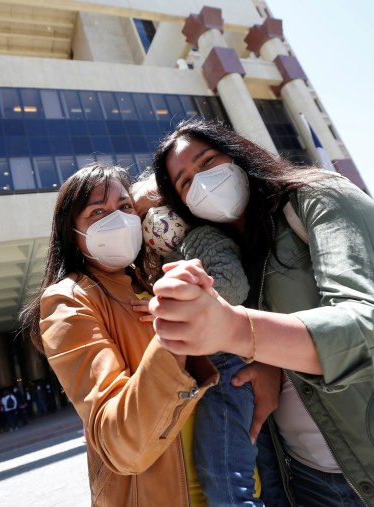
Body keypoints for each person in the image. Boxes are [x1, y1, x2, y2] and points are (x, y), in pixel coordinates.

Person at [148, 118, 374, 506]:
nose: (200, 181)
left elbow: (372, 325)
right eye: (185, 182)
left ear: (238, 154)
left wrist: (238, 329)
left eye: (207, 161)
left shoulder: (319, 197)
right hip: (309, 479)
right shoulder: (225, 254)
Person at [19, 162, 220, 506]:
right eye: (98, 211)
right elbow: (119, 441)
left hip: (227, 486)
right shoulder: (68, 300)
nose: (118, 220)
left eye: (125, 207)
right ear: (73, 233)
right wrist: (174, 327)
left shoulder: (152, 282)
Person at [131, 172, 260, 506]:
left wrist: (171, 304)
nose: (154, 221)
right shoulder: (158, 262)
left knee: (225, 475)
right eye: (143, 217)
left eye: (158, 208)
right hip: (211, 368)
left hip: (228, 368)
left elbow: (233, 286)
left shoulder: (202, 239)